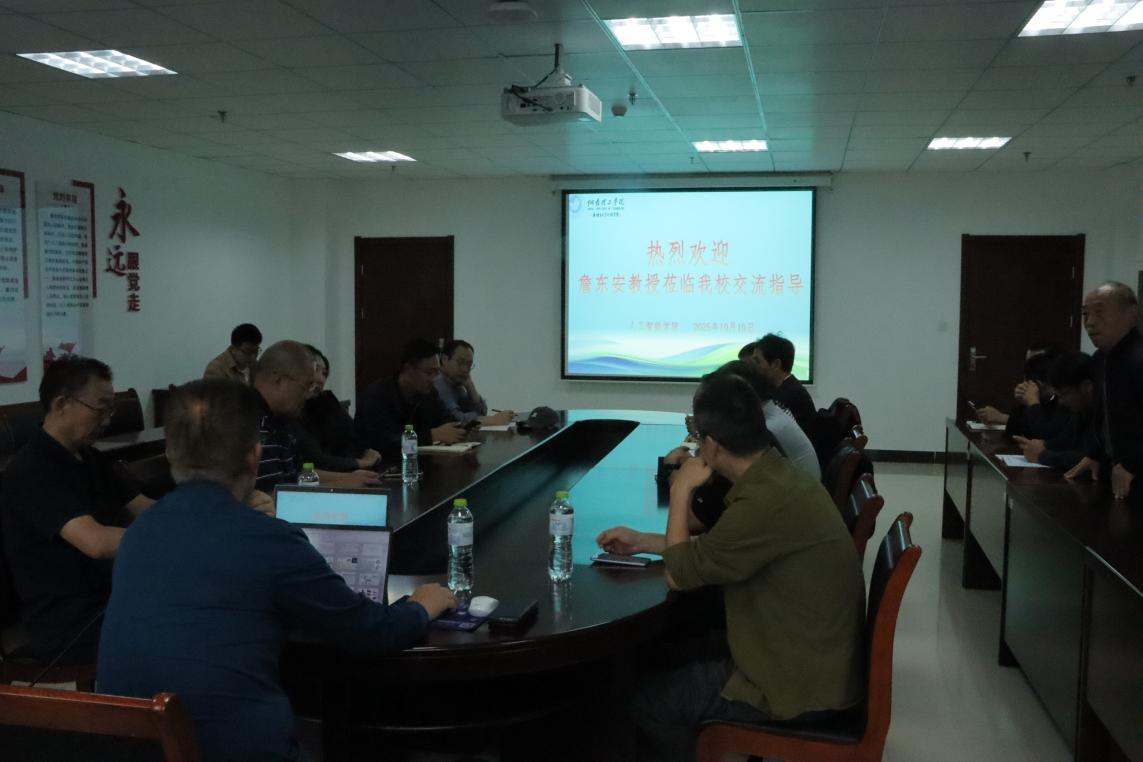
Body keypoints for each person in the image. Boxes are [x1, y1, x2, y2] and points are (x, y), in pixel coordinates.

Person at [96, 379, 456, 762]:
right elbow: (369, 632)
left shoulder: (138, 534)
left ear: (170, 454)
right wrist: (420, 606)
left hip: (132, 747)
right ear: (254, 456)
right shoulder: (269, 540)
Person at [602, 374, 864, 762]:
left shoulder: (761, 503)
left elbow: (678, 576)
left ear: (710, 445)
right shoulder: (775, 476)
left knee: (650, 702)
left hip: (795, 683)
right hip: (806, 651)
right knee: (662, 649)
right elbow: (717, 547)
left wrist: (680, 489)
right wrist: (642, 541)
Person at [0, 357, 154, 665]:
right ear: (61, 404)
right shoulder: (30, 471)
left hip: (110, 596)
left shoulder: (89, 458)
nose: (107, 420)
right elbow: (95, 542)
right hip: (69, 619)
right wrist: (170, 535)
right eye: (101, 409)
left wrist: (202, 515)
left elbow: (144, 507)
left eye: (111, 410)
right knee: (180, 626)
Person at [252, 340, 380, 492]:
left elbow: (298, 475)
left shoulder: (280, 419)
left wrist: (351, 477)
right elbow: (268, 497)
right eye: (306, 386)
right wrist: (342, 485)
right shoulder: (250, 421)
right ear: (280, 380)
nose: (308, 395)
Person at [1065, 282, 1143, 500]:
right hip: (1113, 472)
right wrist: (1095, 453)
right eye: (1085, 314)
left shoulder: (1138, 359)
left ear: (1131, 314)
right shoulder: (1100, 359)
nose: (1089, 322)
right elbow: (1104, 418)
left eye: (1099, 313)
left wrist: (1133, 464)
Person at [355, 338, 467, 457]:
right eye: (429, 373)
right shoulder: (376, 396)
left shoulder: (429, 394)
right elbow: (383, 442)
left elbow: (445, 419)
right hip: (381, 464)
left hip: (417, 461)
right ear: (407, 369)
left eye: (437, 372)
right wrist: (431, 436)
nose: (434, 379)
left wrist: (461, 429)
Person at [293, 345, 381, 472]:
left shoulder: (326, 401)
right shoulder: (289, 409)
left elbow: (356, 440)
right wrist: (361, 462)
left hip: (345, 472)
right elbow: (315, 460)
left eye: (324, 373)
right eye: (316, 370)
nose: (321, 379)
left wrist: (364, 455)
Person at [1013, 352, 1094, 470]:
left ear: (1086, 386)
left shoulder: (1103, 412)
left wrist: (1043, 455)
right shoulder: (1079, 410)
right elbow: (1063, 440)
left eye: (1064, 394)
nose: (1061, 401)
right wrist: (1043, 445)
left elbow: (1088, 458)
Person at [434, 339, 514, 426]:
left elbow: (481, 412)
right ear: (444, 359)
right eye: (460, 362)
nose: (465, 369)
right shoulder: (438, 384)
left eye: (469, 364)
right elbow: (455, 419)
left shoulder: (457, 383)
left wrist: (470, 386)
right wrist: (493, 419)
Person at [750, 333, 815, 428]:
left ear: (776, 364)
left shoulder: (792, 397)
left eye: (757, 361)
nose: (752, 366)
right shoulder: (783, 390)